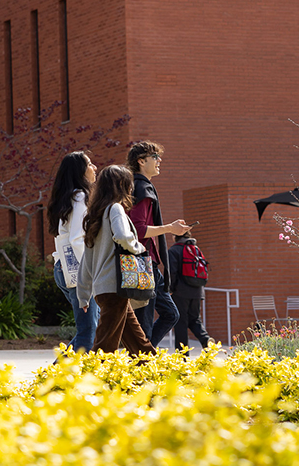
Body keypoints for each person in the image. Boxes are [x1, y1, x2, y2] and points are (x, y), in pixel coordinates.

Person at [78, 164, 157, 355]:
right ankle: (92, 381)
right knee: (105, 346)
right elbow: (123, 236)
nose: (131, 189)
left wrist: (83, 294)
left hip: (104, 289)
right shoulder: (115, 209)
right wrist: (138, 247)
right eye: (128, 184)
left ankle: (156, 374)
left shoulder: (95, 215)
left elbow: (87, 260)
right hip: (115, 287)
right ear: (121, 185)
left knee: (139, 344)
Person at [126, 141, 190, 346]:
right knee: (144, 323)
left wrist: (170, 226)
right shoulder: (141, 188)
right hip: (142, 265)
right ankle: (139, 363)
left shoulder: (139, 186)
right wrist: (170, 228)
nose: (159, 160)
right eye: (155, 157)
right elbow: (138, 230)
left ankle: (142, 355)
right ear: (141, 161)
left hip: (149, 264)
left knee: (171, 314)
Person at [47, 151, 101, 351]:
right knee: (88, 331)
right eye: (89, 163)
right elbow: (77, 238)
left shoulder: (67, 198)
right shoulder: (80, 196)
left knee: (89, 330)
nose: (94, 167)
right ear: (79, 171)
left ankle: (56, 375)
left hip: (64, 269)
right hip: (78, 272)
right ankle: (59, 378)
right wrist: (90, 272)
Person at [167, 233, 212, 351]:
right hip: (197, 291)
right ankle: (205, 340)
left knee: (181, 323)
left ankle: (183, 357)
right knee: (195, 319)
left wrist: (170, 290)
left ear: (175, 236)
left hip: (180, 292)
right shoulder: (196, 249)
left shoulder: (174, 250)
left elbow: (172, 272)